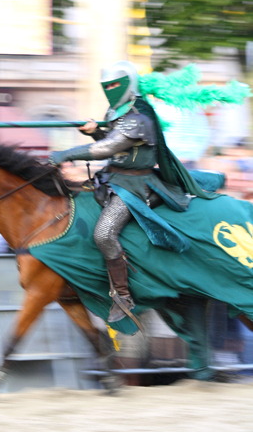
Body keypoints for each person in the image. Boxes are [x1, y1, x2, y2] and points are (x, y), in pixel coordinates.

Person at [49, 60, 220, 324]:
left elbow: (108, 149)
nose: (110, 90)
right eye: (106, 86)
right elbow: (114, 147)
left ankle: (122, 296)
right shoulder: (116, 113)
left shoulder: (139, 119)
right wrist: (96, 132)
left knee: (104, 234)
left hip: (135, 186)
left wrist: (66, 153)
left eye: (116, 85)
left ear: (129, 85)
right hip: (111, 180)